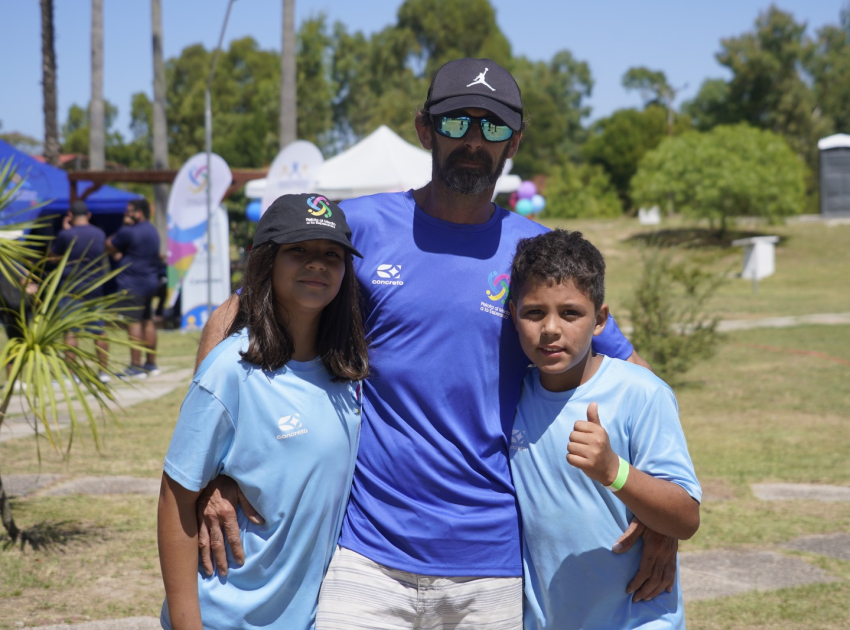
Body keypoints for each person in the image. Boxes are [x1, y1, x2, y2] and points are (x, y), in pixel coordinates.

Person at [196, 57, 678, 628]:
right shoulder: (361, 228)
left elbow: (635, 375)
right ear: (425, 129)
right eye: (456, 123)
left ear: (514, 142)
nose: (474, 140)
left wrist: (657, 512)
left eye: (492, 127)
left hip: (491, 560)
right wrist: (210, 469)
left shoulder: (537, 256)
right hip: (366, 550)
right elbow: (231, 315)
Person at [157, 194, 369, 629]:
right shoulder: (231, 369)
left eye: (332, 254)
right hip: (225, 616)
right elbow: (175, 500)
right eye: (299, 250)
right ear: (266, 262)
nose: (317, 263)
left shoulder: (347, 374)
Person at [507, 229, 701, 629]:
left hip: (638, 618)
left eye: (570, 313)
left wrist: (614, 471)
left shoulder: (641, 393)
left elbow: (686, 519)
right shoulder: (511, 397)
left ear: (600, 320)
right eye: (534, 313)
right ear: (513, 315)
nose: (551, 328)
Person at [49, 200, 110, 381]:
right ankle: (103, 372)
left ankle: (71, 374)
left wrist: (66, 229)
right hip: (94, 288)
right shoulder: (99, 233)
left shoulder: (66, 235)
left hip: (71, 288)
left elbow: (53, 257)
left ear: (70, 216)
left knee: (70, 331)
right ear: (88, 215)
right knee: (99, 330)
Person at [106, 198, 162, 378]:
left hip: (133, 284)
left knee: (133, 322)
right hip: (150, 282)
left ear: (138, 213)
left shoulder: (128, 231)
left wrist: (124, 226)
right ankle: (151, 364)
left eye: (129, 211)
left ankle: (135, 366)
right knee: (148, 320)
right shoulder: (152, 230)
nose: (126, 214)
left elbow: (109, 244)